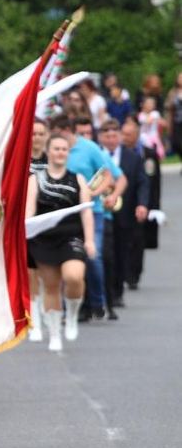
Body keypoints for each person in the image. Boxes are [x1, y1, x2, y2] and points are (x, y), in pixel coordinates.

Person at [26, 133, 95, 352]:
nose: (60, 153)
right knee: (51, 286)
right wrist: (25, 237)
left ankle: (72, 313)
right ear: (48, 150)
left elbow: (86, 213)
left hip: (71, 236)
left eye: (64, 149)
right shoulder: (35, 180)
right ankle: (55, 333)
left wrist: (90, 240)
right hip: (44, 238)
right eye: (56, 148)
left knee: (74, 277)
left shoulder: (78, 179)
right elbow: (29, 213)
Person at [67, 116, 124, 322]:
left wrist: (110, 194)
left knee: (98, 258)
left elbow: (116, 177)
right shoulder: (61, 149)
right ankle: (80, 305)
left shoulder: (92, 150)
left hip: (98, 212)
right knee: (74, 258)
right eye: (82, 133)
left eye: (87, 133)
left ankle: (103, 302)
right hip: (70, 212)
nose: (85, 137)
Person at [99, 120, 149, 309]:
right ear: (101, 137)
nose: (111, 140)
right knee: (104, 254)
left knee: (120, 253)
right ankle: (103, 292)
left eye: (114, 136)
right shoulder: (97, 156)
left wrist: (142, 204)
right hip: (101, 212)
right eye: (107, 136)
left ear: (119, 137)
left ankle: (117, 293)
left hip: (125, 213)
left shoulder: (133, 158)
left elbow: (142, 182)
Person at [121, 118, 160, 287]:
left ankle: (134, 275)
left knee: (138, 240)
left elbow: (154, 181)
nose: (125, 137)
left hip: (141, 202)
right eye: (123, 134)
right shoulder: (118, 153)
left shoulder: (147, 154)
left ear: (137, 136)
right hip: (123, 200)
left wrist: (153, 206)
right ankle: (122, 272)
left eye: (129, 134)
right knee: (123, 239)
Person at [27, 118, 50, 342]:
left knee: (48, 270)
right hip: (28, 220)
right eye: (33, 134)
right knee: (31, 271)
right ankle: (33, 315)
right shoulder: (21, 160)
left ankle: (46, 303)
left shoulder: (53, 159)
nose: (37, 138)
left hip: (51, 219)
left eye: (41, 133)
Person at [137, 96, 166, 160]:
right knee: (148, 153)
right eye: (148, 103)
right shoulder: (141, 115)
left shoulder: (155, 113)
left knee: (157, 153)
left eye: (152, 103)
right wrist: (154, 118)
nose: (150, 105)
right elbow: (148, 121)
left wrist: (160, 122)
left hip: (154, 136)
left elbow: (163, 123)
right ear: (143, 105)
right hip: (144, 137)